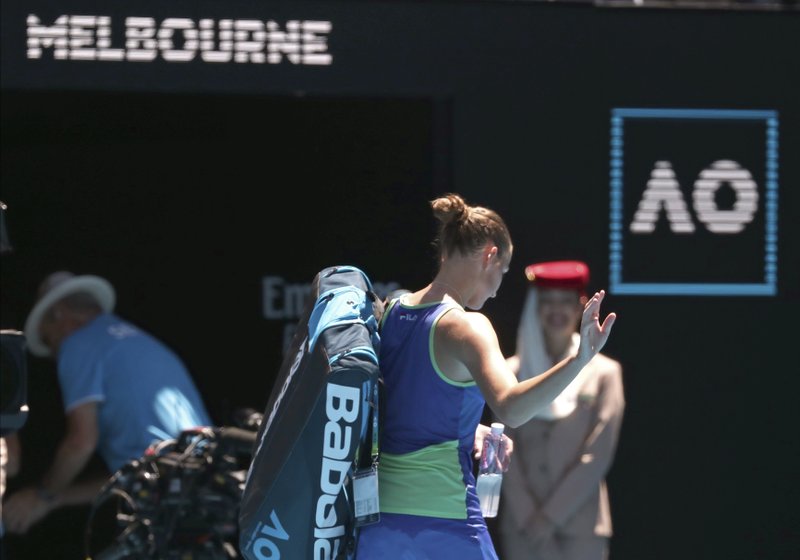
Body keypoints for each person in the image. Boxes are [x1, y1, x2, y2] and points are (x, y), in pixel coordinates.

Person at [355, 194, 616, 560]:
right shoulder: (468, 326)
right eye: (503, 274)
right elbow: (511, 409)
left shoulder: (393, 310)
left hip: (378, 523)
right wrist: (580, 358)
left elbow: (405, 403)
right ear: (490, 255)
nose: (496, 289)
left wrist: (470, 429)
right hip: (444, 521)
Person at [2, 271, 213, 535]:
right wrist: (53, 500)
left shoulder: (77, 344)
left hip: (172, 506)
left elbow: (81, 443)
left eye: (48, 339)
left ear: (58, 315)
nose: (53, 353)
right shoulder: (136, 341)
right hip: (206, 495)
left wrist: (41, 496)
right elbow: (137, 474)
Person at [496, 260, 625, 560]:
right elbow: (502, 447)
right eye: (547, 301)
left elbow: (597, 455)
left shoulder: (604, 372)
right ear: (535, 306)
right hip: (522, 526)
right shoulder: (509, 371)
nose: (557, 311)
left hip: (580, 526)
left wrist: (549, 517)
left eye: (565, 302)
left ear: (581, 305)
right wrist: (529, 515)